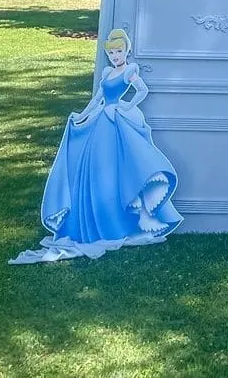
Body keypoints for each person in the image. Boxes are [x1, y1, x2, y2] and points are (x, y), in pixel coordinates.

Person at [10, 28, 181, 263]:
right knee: (96, 167)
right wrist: (82, 115)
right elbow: (98, 98)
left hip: (115, 119)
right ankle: (94, 218)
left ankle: (120, 218)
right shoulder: (108, 71)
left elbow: (142, 90)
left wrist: (127, 107)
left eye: (119, 51)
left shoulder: (129, 70)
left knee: (119, 167)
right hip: (102, 119)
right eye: (112, 53)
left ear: (126, 51)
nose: (115, 56)